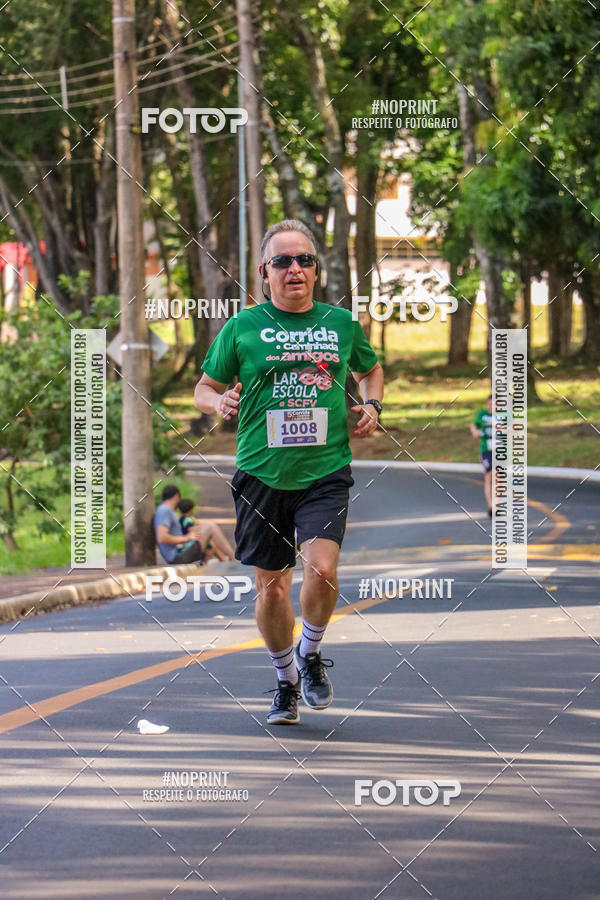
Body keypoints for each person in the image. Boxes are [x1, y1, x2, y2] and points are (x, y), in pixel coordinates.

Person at [194, 218, 384, 725]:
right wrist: (219, 403)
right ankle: (284, 680)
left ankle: (311, 652)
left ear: (316, 271)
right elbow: (204, 388)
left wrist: (373, 406)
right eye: (283, 261)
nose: (294, 269)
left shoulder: (340, 325)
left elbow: (370, 369)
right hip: (260, 473)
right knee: (272, 588)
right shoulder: (242, 328)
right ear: (264, 273)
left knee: (322, 569)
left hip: (325, 469)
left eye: (304, 260)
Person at [153, 485, 232, 564]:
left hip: (180, 552)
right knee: (210, 526)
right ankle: (233, 559)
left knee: (207, 531)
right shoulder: (164, 510)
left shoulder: (166, 510)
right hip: (177, 556)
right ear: (176, 496)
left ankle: (225, 560)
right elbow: (162, 537)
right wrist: (186, 538)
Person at [177, 497, 235, 562]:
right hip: (189, 542)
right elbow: (191, 530)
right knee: (212, 546)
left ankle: (222, 559)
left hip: (189, 542)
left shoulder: (182, 519)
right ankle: (222, 559)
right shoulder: (187, 519)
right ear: (190, 510)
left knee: (212, 546)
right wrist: (200, 528)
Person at [470, 395, 494, 517]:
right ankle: (491, 507)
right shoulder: (482, 415)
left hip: (501, 451)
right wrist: (475, 431)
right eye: (489, 404)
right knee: (489, 476)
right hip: (486, 451)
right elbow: (474, 425)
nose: (491, 406)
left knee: (499, 479)